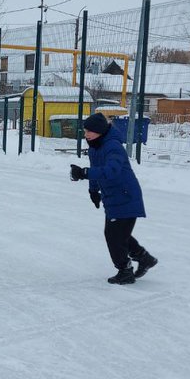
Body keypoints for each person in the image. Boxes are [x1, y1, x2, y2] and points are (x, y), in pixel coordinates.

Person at [69, 112, 158, 285]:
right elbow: (97, 169)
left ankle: (125, 270)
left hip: (126, 196)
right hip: (113, 197)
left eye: (89, 131)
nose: (86, 134)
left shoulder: (112, 146)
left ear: (100, 131)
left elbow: (111, 170)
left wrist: (84, 173)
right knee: (119, 235)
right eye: (85, 131)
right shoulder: (95, 147)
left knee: (113, 235)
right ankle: (143, 257)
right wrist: (93, 190)